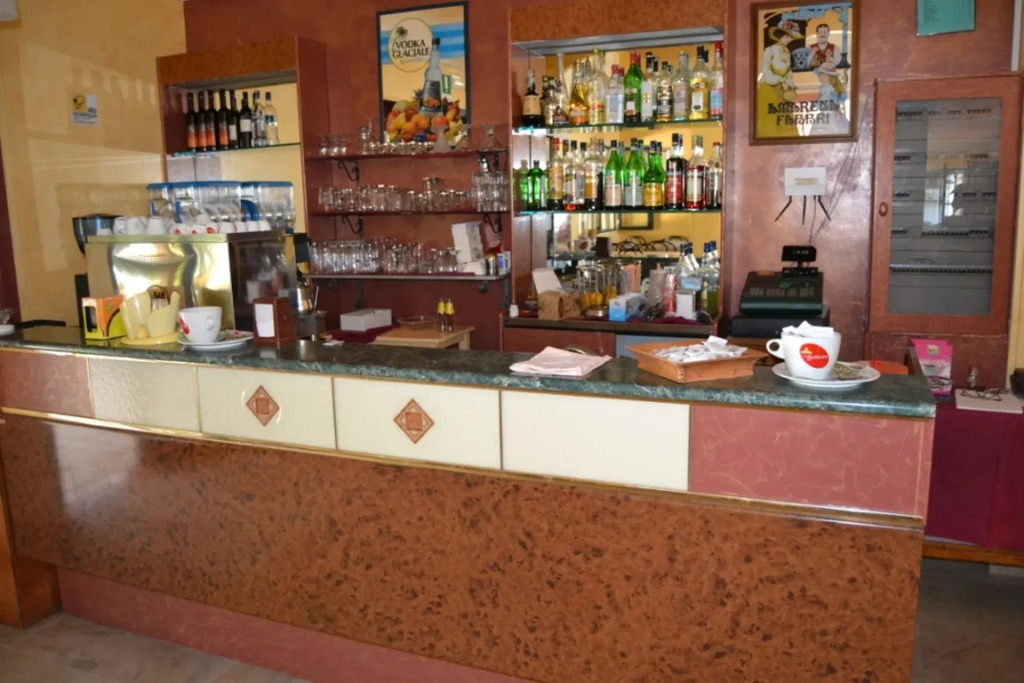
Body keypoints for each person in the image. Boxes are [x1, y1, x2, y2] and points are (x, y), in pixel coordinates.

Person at [757, 19, 802, 138]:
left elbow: (788, 72)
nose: (790, 39)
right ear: (782, 35)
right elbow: (766, 71)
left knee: (786, 125)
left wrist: (790, 84)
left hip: (783, 92)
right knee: (769, 125)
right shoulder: (769, 50)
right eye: (788, 36)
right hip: (769, 90)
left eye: (791, 37)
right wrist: (781, 80)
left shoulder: (787, 52)